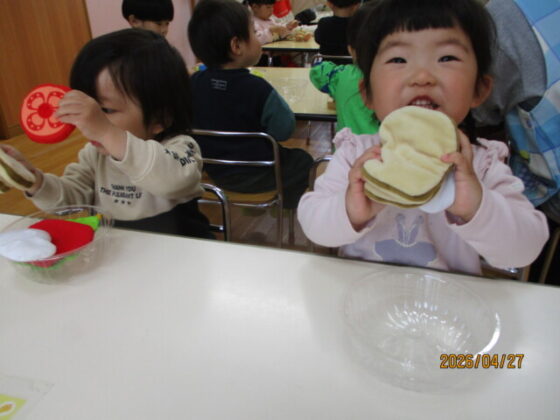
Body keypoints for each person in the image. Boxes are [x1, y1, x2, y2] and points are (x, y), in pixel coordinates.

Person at [297, 0, 549, 275]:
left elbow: (526, 249)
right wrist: (350, 208)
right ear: (367, 93)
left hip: (448, 299)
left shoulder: (481, 164)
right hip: (361, 294)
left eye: (447, 58)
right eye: (398, 59)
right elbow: (313, 226)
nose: (422, 76)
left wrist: (477, 207)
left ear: (480, 88)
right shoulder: (356, 155)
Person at [2, 29, 212, 238]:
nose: (90, 121)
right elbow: (70, 202)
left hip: (179, 250)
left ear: (160, 119)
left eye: (105, 110)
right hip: (117, 248)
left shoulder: (181, 147)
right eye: (88, 109)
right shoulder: (94, 156)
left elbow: (170, 181)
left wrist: (106, 132)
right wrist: (33, 180)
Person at [188, 0, 313, 209]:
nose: (258, 39)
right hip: (260, 173)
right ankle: (287, 208)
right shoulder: (258, 88)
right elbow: (285, 129)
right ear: (236, 46)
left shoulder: (193, 83)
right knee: (303, 161)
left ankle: (251, 210)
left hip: (212, 172)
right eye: (254, 33)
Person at [309, 3, 380, 135]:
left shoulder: (340, 76)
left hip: (347, 148)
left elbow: (316, 72)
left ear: (351, 50)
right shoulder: (401, 81)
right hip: (388, 147)